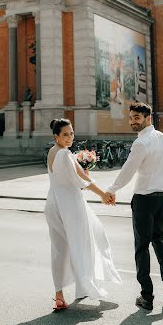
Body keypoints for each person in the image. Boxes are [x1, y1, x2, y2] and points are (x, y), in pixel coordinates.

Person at [106, 102, 163, 311]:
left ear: (148, 118)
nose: (132, 122)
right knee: (159, 238)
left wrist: (112, 189)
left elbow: (128, 170)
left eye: (137, 118)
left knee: (141, 246)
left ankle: (147, 296)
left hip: (145, 199)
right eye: (131, 118)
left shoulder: (142, 143)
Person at [44, 118, 121, 310]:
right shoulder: (64, 154)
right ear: (56, 136)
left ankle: (59, 295)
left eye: (71, 134)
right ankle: (85, 284)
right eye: (65, 134)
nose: (70, 137)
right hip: (70, 204)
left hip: (53, 203)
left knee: (60, 250)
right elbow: (81, 179)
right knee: (82, 244)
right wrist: (103, 194)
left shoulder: (53, 152)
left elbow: (77, 175)